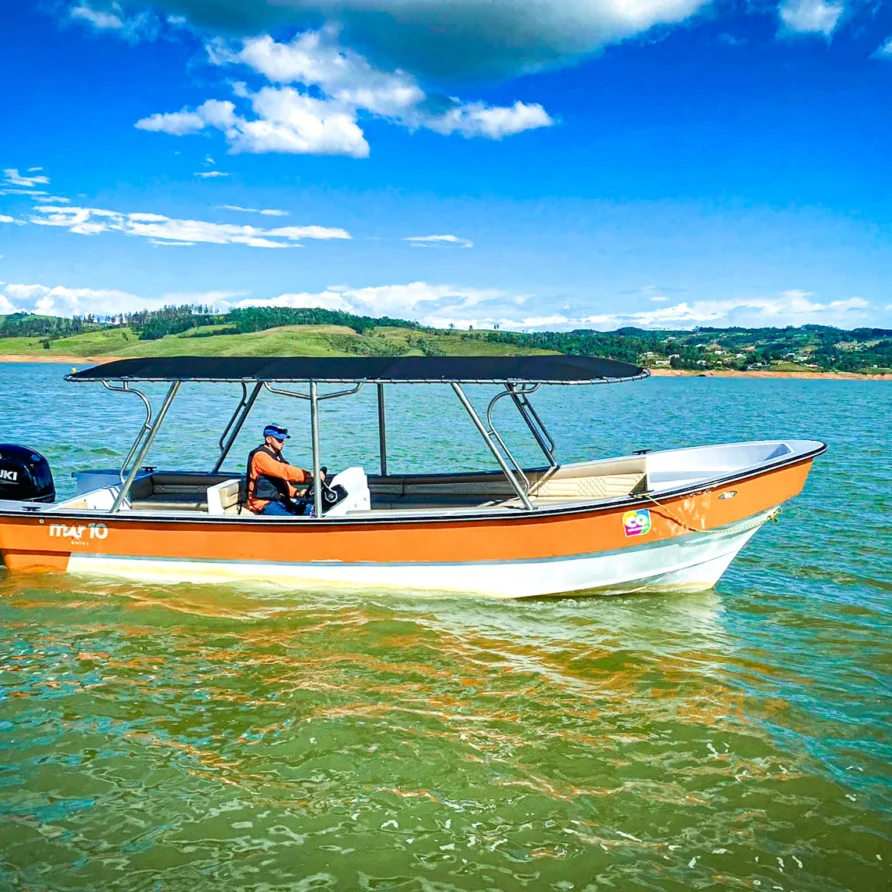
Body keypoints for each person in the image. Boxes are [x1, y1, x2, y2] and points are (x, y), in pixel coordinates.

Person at [246, 424, 313, 516]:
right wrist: (309, 475)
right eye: (279, 439)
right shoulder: (260, 457)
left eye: (283, 439)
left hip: (278, 499)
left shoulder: (276, 455)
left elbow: (281, 481)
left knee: (311, 510)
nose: (282, 442)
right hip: (263, 503)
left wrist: (296, 493)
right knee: (293, 521)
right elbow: (283, 471)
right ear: (268, 439)